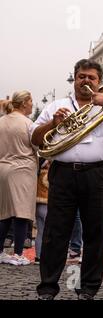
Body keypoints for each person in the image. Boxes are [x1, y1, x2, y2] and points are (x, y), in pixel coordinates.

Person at [31, 59, 103, 300]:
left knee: (96, 233)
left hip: (98, 174)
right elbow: (36, 139)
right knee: (55, 233)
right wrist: (53, 123)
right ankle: (47, 288)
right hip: (63, 173)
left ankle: (88, 288)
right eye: (81, 77)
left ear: (99, 82)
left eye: (91, 77)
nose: (86, 81)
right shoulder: (57, 106)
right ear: (74, 79)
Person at [0, 91, 37, 266]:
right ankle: (18, 253)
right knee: (22, 213)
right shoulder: (28, 123)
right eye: (30, 101)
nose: (32, 104)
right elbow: (37, 145)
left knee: (4, 214)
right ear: (23, 103)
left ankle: (0, 251)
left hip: (3, 168)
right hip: (22, 169)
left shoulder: (1, 121)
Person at [35, 159, 51, 265]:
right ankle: (46, 256)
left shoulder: (38, 173)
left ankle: (38, 256)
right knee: (49, 231)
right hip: (47, 204)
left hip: (38, 202)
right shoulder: (48, 174)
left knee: (40, 232)